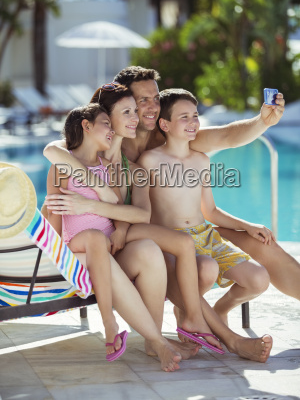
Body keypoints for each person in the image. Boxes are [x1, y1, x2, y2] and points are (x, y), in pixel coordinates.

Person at [44, 84, 273, 363]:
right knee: (164, 250)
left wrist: (106, 211)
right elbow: (53, 153)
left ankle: (181, 325)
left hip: (123, 237)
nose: (136, 117)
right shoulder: (81, 160)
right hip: (92, 242)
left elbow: (135, 213)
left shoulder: (131, 166)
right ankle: (220, 336)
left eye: (135, 111)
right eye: (127, 112)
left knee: (176, 247)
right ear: (102, 121)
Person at [45, 101, 195, 370]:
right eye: (106, 124)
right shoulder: (60, 168)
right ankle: (113, 325)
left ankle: (153, 340)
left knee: (148, 249)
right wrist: (56, 261)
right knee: (94, 238)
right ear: (86, 126)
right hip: (79, 250)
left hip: (110, 253)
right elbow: (55, 221)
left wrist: (105, 202)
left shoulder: (110, 169)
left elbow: (125, 212)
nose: (111, 131)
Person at [136, 88, 272, 329]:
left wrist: (248, 226)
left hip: (206, 235)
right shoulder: (150, 161)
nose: (193, 122)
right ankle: (186, 316)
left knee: (259, 279)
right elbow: (143, 214)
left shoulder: (201, 160)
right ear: (165, 125)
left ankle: (220, 310)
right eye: (184, 117)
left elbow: (211, 211)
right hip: (173, 241)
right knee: (207, 269)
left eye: (195, 115)